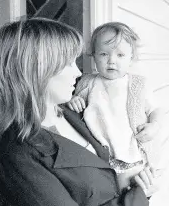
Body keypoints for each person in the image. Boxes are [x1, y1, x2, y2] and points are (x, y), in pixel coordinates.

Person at [0, 18, 155, 206]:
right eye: (68, 63)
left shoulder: (70, 112)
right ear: (36, 71)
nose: (78, 72)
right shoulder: (20, 155)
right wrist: (139, 198)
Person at [67, 22, 163, 190]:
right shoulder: (87, 82)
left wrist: (154, 125)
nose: (111, 61)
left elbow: (155, 109)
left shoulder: (138, 84)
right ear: (94, 56)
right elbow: (74, 106)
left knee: (133, 193)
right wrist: (73, 101)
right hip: (98, 154)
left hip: (130, 153)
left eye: (120, 55)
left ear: (131, 58)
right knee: (105, 193)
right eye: (104, 54)